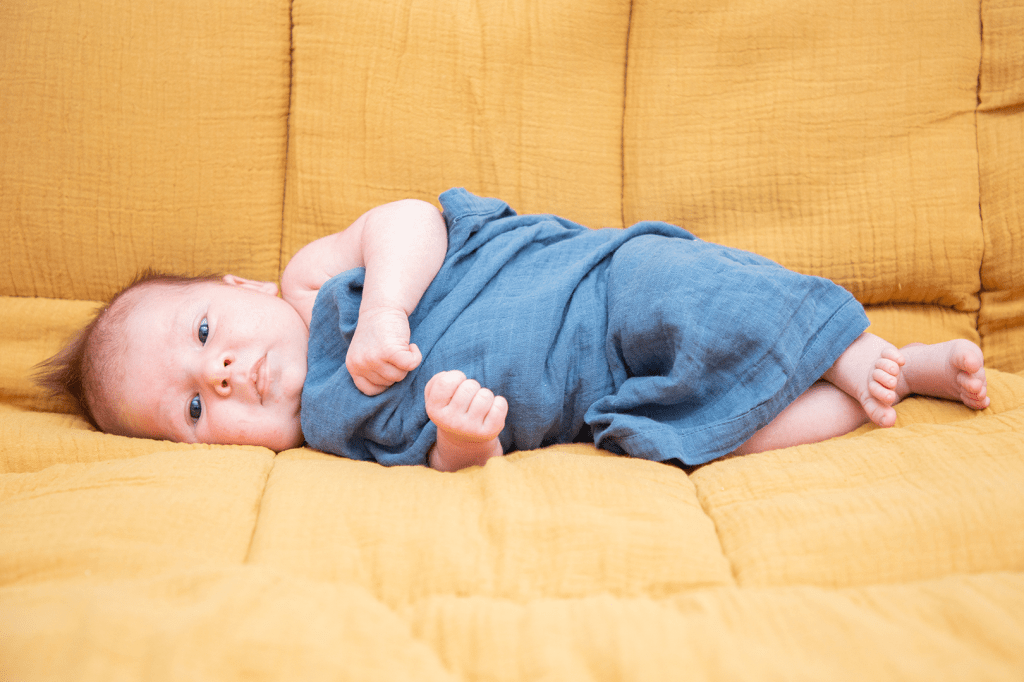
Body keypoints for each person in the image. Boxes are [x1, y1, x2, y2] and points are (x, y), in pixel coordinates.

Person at [36, 189, 990, 472]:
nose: (231, 370)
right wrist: (463, 438)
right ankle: (864, 400)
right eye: (196, 407)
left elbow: (412, 220)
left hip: (590, 292)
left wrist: (387, 310)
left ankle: (860, 347)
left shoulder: (312, 281)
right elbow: (450, 472)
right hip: (589, 400)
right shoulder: (337, 437)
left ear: (237, 285)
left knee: (687, 287)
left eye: (208, 330)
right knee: (676, 439)